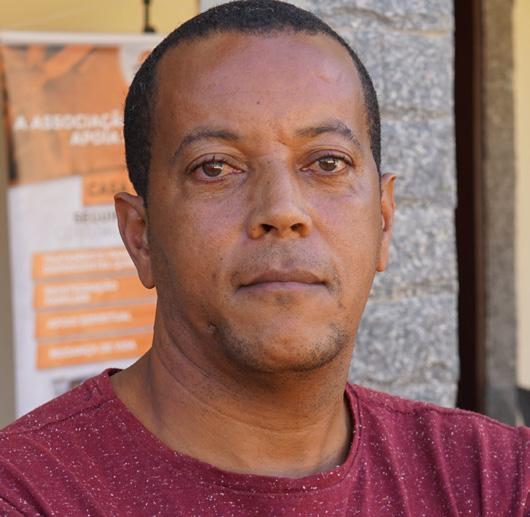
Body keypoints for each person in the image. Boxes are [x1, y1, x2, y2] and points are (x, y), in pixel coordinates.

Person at [1, 1, 528, 515]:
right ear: (140, 237)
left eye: (327, 162)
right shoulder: (28, 493)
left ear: (384, 221)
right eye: (215, 168)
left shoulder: (496, 478)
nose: (282, 210)